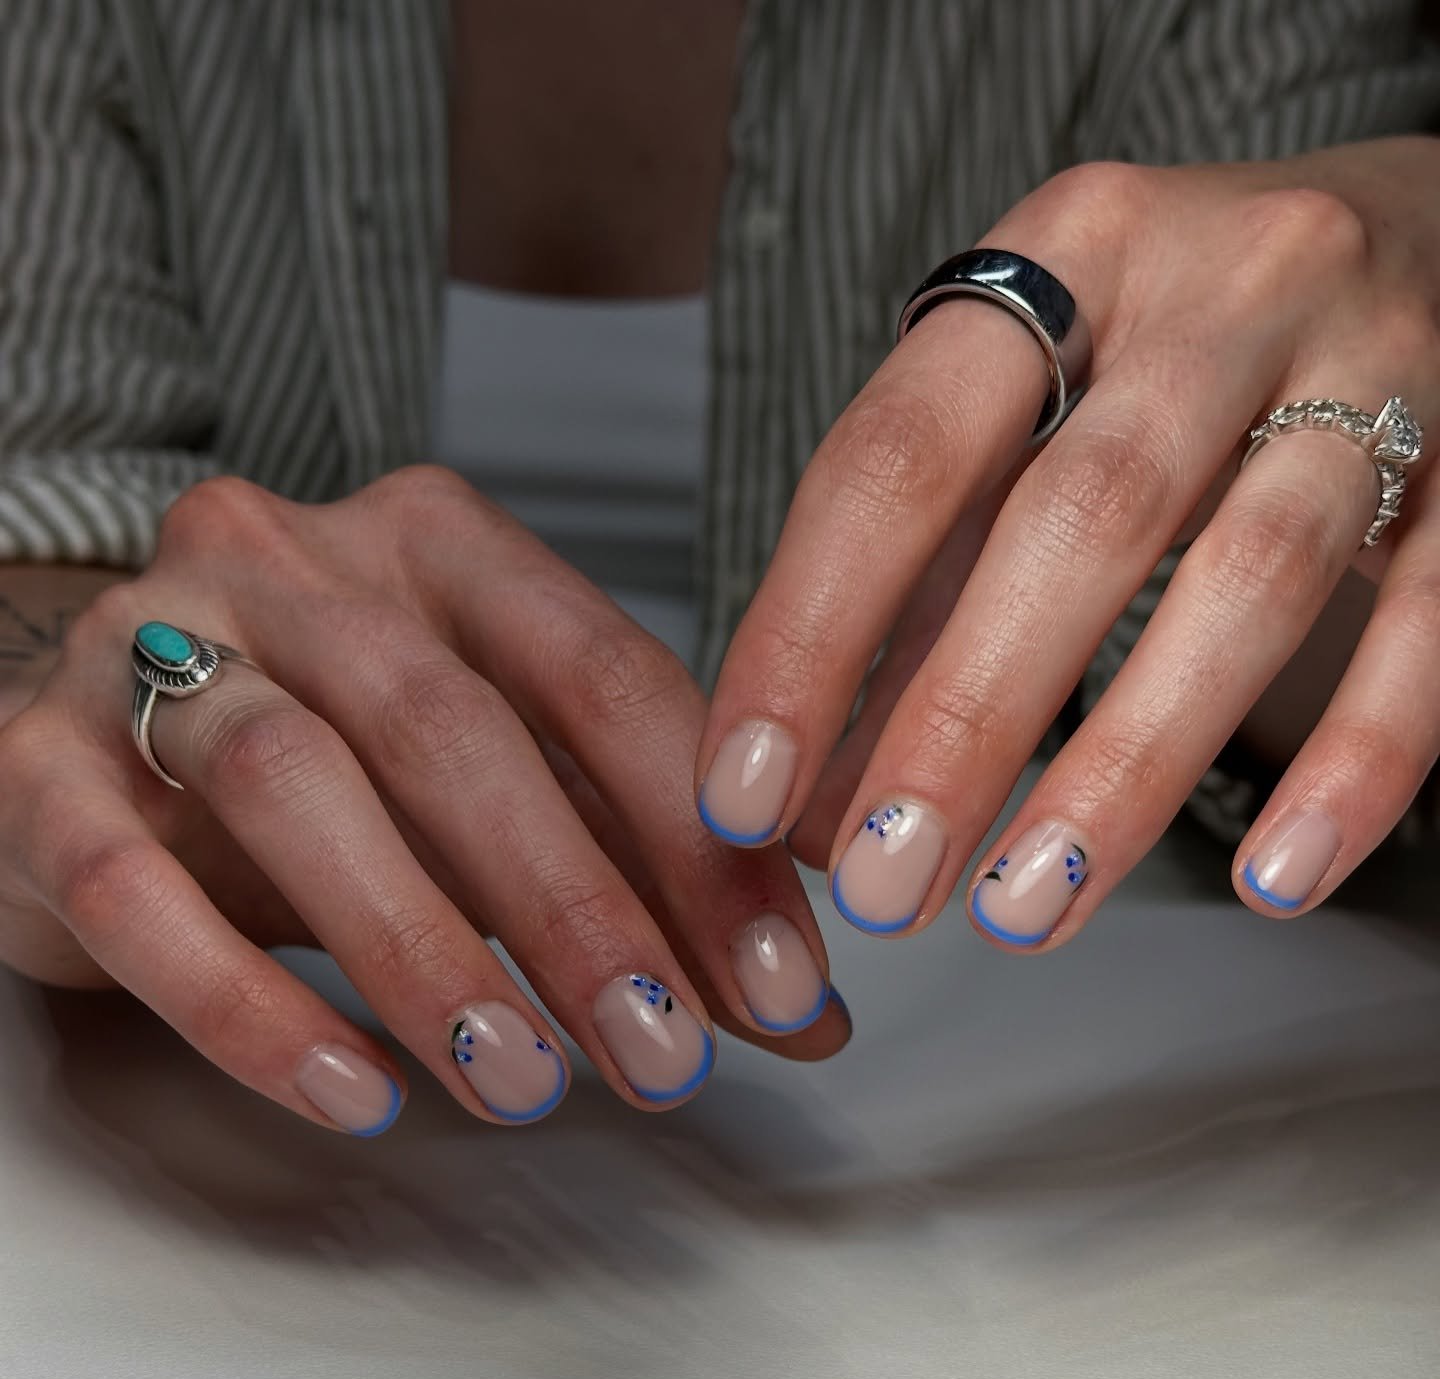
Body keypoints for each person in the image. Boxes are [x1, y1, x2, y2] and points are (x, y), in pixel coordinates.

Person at [1, 0, 1437, 1137]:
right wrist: (102, 710)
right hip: (234, 1161)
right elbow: (49, 489)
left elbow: (1282, 593)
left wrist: (1397, 283)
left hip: (1096, 1109)